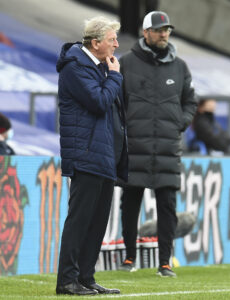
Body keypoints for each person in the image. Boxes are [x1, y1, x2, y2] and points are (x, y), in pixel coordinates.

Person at [118, 11, 197, 277]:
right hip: (134, 147)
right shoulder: (126, 63)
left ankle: (165, 263)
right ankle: (129, 258)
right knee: (130, 204)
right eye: (159, 29)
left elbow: (191, 102)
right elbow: (116, 102)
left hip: (167, 149)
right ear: (146, 32)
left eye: (167, 30)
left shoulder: (180, 66)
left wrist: (179, 123)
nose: (164, 34)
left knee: (167, 207)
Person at [56, 16, 128, 296]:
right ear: (95, 42)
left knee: (97, 222)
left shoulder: (98, 66)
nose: (116, 45)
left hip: (104, 155)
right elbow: (99, 102)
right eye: (112, 40)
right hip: (86, 153)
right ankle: (67, 281)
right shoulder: (75, 67)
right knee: (80, 220)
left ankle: (85, 277)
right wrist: (115, 77)